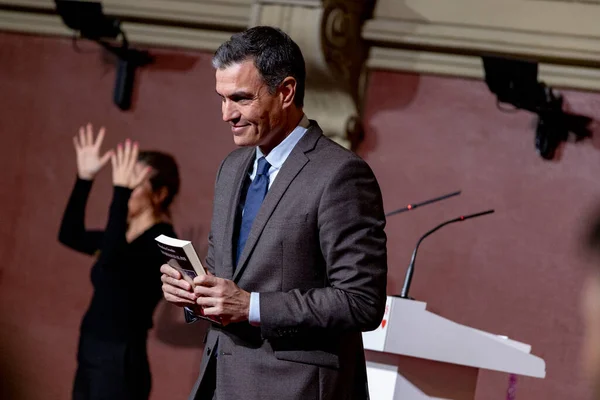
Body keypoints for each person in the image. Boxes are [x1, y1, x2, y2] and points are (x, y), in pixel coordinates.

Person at [160, 26, 387, 399]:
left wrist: (252, 306)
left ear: (285, 92)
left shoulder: (340, 174)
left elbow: (360, 301)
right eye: (221, 98)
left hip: (293, 388)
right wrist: (193, 292)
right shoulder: (231, 168)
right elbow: (225, 280)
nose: (226, 114)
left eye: (241, 99)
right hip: (221, 381)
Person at [58, 124, 180, 400]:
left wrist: (119, 192)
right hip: (90, 352)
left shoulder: (162, 241)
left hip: (119, 363)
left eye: (133, 185)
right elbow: (69, 235)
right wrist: (85, 178)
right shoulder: (121, 237)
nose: (124, 191)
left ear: (160, 195)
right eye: (124, 184)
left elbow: (110, 266)